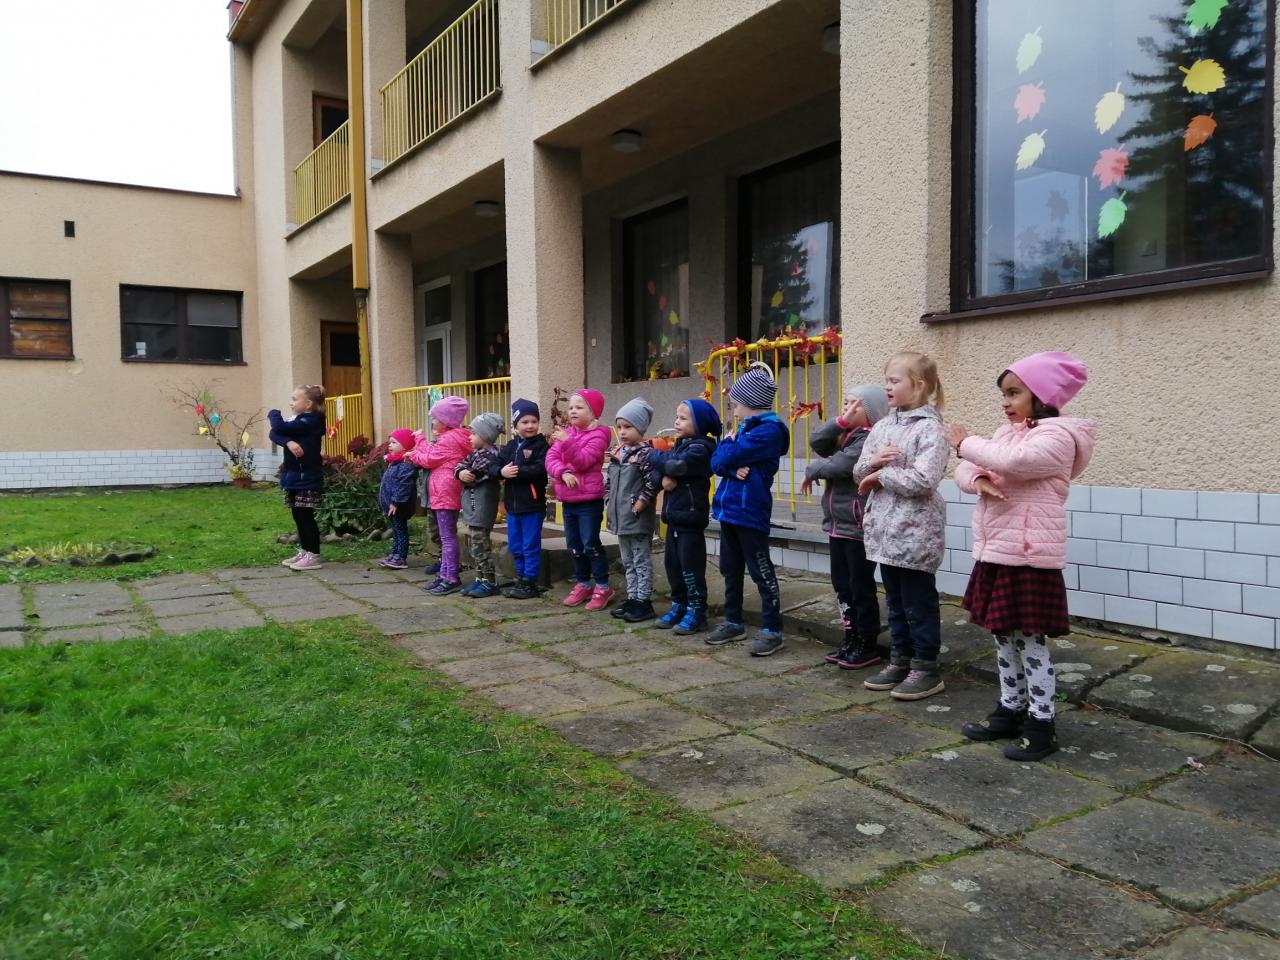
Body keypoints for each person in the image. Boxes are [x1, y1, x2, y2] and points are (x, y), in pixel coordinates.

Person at [946, 352, 1096, 762]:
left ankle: (1041, 724)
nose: (1005, 402)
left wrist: (964, 444)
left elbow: (1016, 463)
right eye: (1004, 394)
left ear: (1042, 396)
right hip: (998, 551)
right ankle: (1010, 710)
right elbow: (966, 470)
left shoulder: (1057, 438)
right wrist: (977, 476)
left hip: (1029, 558)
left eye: (1014, 393)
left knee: (1030, 642)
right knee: (1002, 637)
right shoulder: (1007, 434)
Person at [853, 351, 950, 701]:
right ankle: (900, 660)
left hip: (915, 533)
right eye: (887, 380)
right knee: (894, 602)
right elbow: (858, 472)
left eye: (894, 381)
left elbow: (924, 480)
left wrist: (882, 475)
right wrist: (872, 463)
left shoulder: (931, 429)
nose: (887, 387)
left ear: (919, 386)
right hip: (884, 533)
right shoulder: (882, 426)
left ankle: (926, 667)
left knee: (917, 603)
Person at [801, 385, 890, 669]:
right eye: (845, 403)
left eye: (854, 404)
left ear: (871, 412)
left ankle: (867, 642)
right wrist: (839, 422)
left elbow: (842, 466)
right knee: (842, 585)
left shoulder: (869, 438)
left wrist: (813, 470)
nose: (847, 408)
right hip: (838, 525)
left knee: (859, 586)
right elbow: (817, 441)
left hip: (857, 527)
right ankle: (851, 637)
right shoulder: (846, 434)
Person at [706, 361, 791, 656]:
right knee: (730, 569)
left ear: (750, 403)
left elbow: (730, 453)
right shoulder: (744, 429)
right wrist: (730, 467)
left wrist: (727, 450)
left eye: (735, 404)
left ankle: (773, 629)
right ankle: (733, 621)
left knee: (760, 570)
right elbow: (716, 463)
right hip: (730, 510)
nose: (733, 409)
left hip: (750, 512)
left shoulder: (769, 431)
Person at [649, 398, 721, 636]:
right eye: (676, 417)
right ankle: (679, 604)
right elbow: (662, 472)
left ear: (699, 423)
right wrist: (663, 477)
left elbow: (677, 466)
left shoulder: (702, 448)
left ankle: (697, 610)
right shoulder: (680, 445)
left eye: (683, 418)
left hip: (689, 519)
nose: (676, 422)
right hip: (674, 519)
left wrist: (652, 455)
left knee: (691, 568)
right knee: (673, 567)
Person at [547, 388, 614, 610]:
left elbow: (584, 460)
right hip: (568, 500)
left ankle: (603, 587)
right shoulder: (568, 433)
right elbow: (551, 458)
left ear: (593, 413)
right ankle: (583, 583)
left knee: (590, 544)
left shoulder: (599, 435)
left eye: (579, 407)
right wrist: (562, 472)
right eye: (571, 407)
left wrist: (567, 443)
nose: (573, 411)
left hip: (588, 501)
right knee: (574, 545)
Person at [406, 395, 472, 595]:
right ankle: (444, 574)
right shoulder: (453, 437)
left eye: (435, 418)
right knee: (446, 537)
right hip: (444, 493)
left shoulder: (450, 439)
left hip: (445, 494)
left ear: (446, 420)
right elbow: (432, 452)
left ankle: (451, 577)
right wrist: (420, 441)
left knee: (447, 538)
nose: (433, 422)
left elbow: (428, 459)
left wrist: (413, 453)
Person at [606, 397, 660, 623]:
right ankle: (632, 598)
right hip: (621, 518)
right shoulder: (618, 452)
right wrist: (608, 499)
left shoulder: (645, 454)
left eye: (628, 427)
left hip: (636, 517)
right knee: (627, 561)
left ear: (641, 428)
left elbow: (652, 482)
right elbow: (609, 481)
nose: (622, 432)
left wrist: (642, 502)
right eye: (619, 427)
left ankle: (643, 601)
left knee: (640, 561)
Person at [268, 384, 327, 571]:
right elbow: (274, 433)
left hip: (307, 477)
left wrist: (273, 413)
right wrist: (288, 442)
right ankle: (305, 550)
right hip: (294, 476)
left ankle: (313, 555)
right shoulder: (298, 420)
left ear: (308, 404)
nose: (291, 403)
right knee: (298, 515)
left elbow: (277, 426)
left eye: (295, 399)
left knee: (305, 516)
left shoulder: (310, 421)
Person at [497, 398, 549, 599]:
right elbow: (495, 465)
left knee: (530, 546)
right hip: (512, 507)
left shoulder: (541, 445)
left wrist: (516, 471)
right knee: (516, 545)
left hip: (532, 506)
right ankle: (521, 577)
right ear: (515, 425)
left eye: (534, 421)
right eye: (524, 422)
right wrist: (501, 471)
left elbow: (540, 469)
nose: (530, 425)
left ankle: (530, 581)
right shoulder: (511, 446)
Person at [455, 412, 505, 598]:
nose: (470, 437)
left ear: (485, 435)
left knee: (480, 545)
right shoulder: (476, 453)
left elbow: (473, 474)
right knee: (475, 545)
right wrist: (460, 473)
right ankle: (480, 578)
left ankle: (489, 582)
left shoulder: (490, 457)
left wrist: (464, 474)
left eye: (474, 433)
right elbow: (460, 466)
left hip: (482, 507)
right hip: (473, 506)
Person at [377, 428, 420, 570]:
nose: (390, 445)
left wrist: (395, 502)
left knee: (400, 531)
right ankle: (394, 554)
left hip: (399, 506)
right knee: (395, 530)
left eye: (394, 442)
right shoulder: (394, 462)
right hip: (391, 505)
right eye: (390, 442)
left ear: (405, 446)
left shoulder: (406, 464)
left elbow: (403, 486)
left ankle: (401, 557)